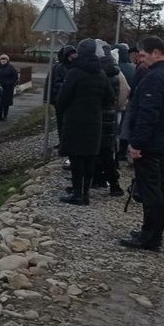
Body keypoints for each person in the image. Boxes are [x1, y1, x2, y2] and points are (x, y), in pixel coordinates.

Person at [121, 36, 164, 251]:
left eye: (143, 55)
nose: (140, 59)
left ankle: (149, 237)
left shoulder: (155, 78)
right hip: (163, 140)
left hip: (150, 144)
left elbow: (147, 115)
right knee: (159, 189)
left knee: (150, 191)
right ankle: (152, 232)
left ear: (156, 53)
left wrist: (136, 144)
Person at [55, 39, 114, 206]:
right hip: (94, 121)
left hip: (75, 121)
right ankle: (85, 193)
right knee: (89, 158)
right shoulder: (101, 73)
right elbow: (109, 98)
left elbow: (62, 98)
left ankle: (77, 193)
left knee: (76, 158)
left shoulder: (74, 72)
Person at [92, 45, 125, 197]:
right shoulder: (116, 74)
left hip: (99, 117)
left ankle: (101, 180)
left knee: (98, 152)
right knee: (106, 152)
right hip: (110, 116)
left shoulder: (100, 75)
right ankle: (113, 184)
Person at [0, 54, 18, 121]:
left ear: (7, 60)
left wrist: (10, 83)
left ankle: (5, 116)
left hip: (7, 88)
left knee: (6, 103)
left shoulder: (11, 68)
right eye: (2, 59)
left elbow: (15, 77)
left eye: (5, 59)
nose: (3, 60)